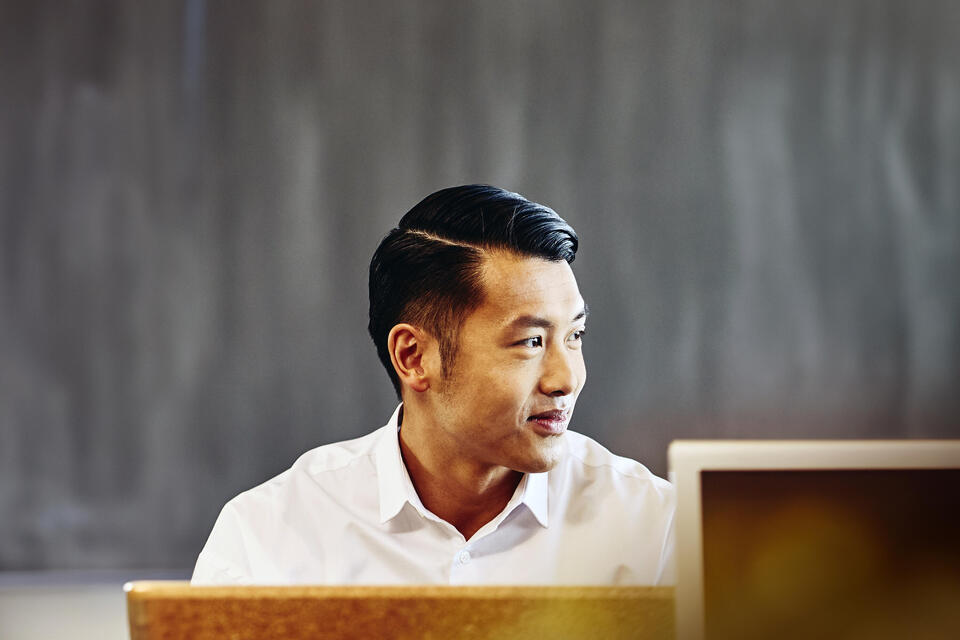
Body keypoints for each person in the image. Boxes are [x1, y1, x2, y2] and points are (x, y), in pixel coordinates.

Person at [191, 185, 675, 585]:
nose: (566, 378)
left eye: (574, 336)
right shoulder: (268, 539)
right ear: (413, 356)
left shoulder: (653, 528)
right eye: (530, 341)